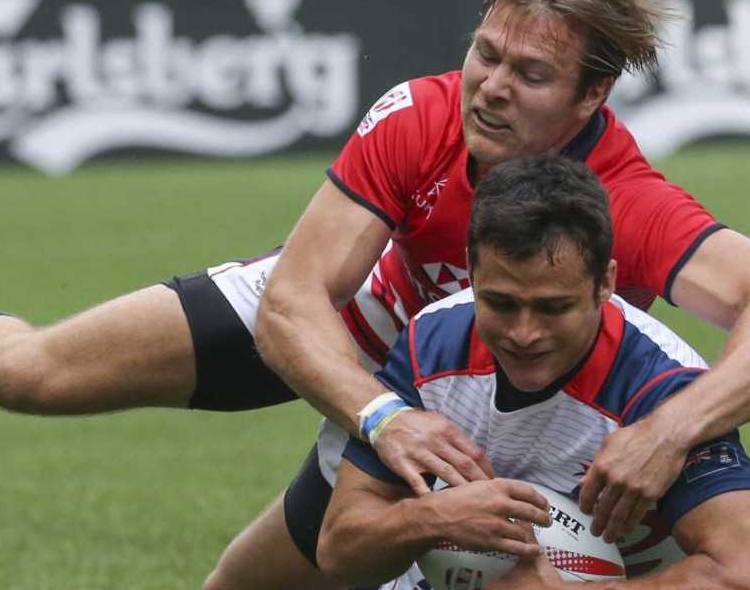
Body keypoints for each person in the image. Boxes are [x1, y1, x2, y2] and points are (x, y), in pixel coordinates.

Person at [0, 0, 750, 590]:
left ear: (590, 100)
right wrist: (384, 418)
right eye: (485, 51)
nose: (488, 86)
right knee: (31, 371)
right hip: (353, 344)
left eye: (530, 73)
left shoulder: (622, 196)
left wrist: (672, 429)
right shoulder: (419, 113)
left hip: (450, 390)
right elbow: (298, 301)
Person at [318, 155, 750, 589]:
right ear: (471, 269)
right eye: (501, 303)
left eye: (553, 307)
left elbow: (738, 570)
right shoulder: (432, 347)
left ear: (605, 282)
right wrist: (432, 517)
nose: (524, 334)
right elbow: (339, 553)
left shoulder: (664, 392)